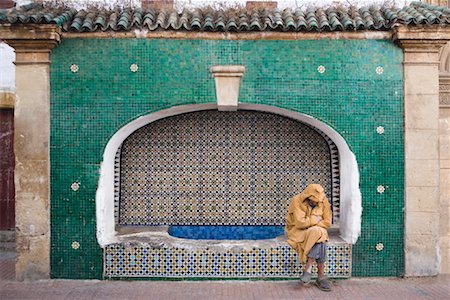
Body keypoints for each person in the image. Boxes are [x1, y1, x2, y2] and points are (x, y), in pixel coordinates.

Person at [285, 184, 332, 292]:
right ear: (307, 197)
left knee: (318, 233)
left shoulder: (323, 201)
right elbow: (300, 223)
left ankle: (308, 267)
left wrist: (312, 222)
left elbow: (328, 222)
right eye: (313, 201)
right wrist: (316, 220)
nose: (316, 203)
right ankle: (321, 276)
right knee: (321, 235)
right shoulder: (297, 200)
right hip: (298, 232)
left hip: (316, 230)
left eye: (318, 201)